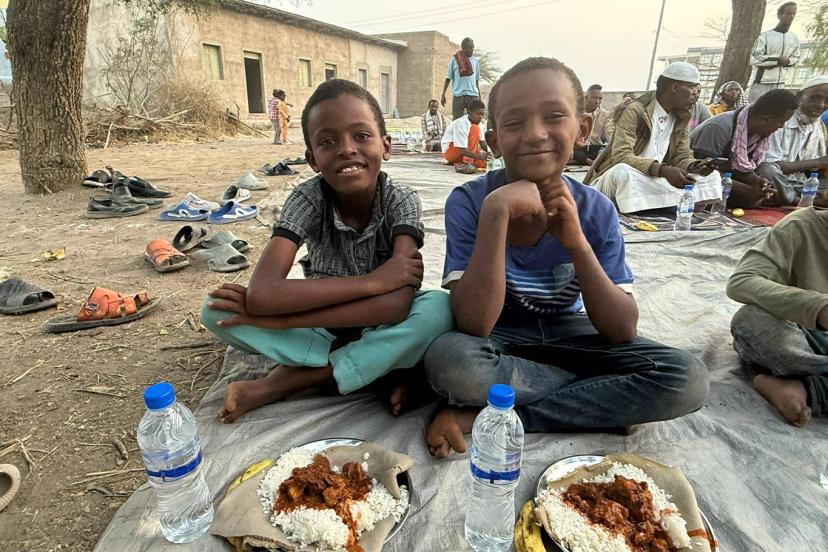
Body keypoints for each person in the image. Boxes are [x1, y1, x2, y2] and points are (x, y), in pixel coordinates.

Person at [423, 57, 708, 458]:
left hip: (572, 335)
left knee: (687, 378)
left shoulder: (596, 209)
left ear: (582, 129)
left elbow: (621, 330)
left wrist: (577, 243)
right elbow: (474, 323)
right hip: (500, 339)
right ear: (494, 141)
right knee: (451, 362)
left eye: (554, 116)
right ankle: (595, 394)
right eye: (514, 123)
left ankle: (503, 413)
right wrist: (497, 213)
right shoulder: (471, 202)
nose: (535, 134)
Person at [200, 79, 454, 423]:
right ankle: (379, 367)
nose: (346, 149)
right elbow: (262, 294)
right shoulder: (307, 199)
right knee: (214, 309)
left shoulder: (401, 200)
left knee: (438, 309)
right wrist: (375, 282)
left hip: (378, 323)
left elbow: (396, 306)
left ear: (386, 145)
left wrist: (282, 319)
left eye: (361, 136)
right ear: (312, 159)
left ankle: (286, 383)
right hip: (324, 326)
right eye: (328, 142)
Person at [726, 207, 828, 427]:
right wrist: (818, 307)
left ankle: (806, 389)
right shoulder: (799, 226)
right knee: (752, 320)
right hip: (801, 338)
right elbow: (742, 281)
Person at [584, 62, 722, 214]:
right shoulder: (635, 110)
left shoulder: (681, 117)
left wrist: (695, 166)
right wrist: (661, 170)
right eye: (692, 87)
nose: (696, 94)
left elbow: (681, 157)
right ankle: (666, 203)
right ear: (675, 87)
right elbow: (621, 156)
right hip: (623, 179)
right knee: (623, 173)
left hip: (652, 180)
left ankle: (658, 204)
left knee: (712, 177)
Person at [690, 88, 799, 208]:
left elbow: (739, 167)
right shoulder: (718, 129)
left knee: (765, 176)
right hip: (693, 183)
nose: (782, 126)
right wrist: (745, 190)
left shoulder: (756, 133)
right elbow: (700, 171)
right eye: (781, 122)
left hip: (724, 180)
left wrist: (755, 180)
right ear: (766, 119)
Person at [757, 76, 828, 206]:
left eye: (827, 101)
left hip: (800, 183)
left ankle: (804, 198)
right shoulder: (780, 120)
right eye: (815, 98)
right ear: (799, 96)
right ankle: (799, 201)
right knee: (766, 169)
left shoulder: (818, 126)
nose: (821, 105)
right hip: (774, 180)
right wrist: (818, 162)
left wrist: (820, 166)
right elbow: (770, 164)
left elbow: (812, 171)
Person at [748, 2, 800, 103]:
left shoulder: (794, 38)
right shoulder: (765, 36)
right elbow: (754, 58)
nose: (792, 16)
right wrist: (777, 59)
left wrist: (788, 61)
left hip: (780, 84)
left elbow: (796, 58)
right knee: (755, 110)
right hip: (762, 83)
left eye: (794, 13)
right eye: (789, 13)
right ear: (779, 15)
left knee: (775, 111)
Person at [441, 98, 489, 172]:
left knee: (484, 163)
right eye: (478, 114)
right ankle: (467, 163)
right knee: (475, 128)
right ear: (469, 112)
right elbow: (462, 149)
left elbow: (483, 143)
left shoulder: (479, 124)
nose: (480, 117)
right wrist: (479, 156)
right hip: (450, 151)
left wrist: (492, 154)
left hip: (463, 153)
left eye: (482, 114)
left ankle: (459, 163)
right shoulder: (461, 123)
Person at [572, 84, 612, 165]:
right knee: (570, 150)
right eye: (594, 98)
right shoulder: (575, 111)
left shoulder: (604, 114)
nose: (597, 101)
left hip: (594, 148)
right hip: (577, 147)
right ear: (586, 97)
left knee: (609, 149)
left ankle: (583, 160)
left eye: (600, 98)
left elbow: (609, 132)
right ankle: (591, 162)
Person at [441, 37, 480, 120]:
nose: (471, 50)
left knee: (474, 121)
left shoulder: (475, 61)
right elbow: (448, 78)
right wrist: (443, 94)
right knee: (457, 121)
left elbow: (476, 81)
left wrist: (479, 97)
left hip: (473, 95)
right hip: (458, 95)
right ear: (463, 48)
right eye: (469, 48)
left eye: (472, 48)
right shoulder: (454, 60)